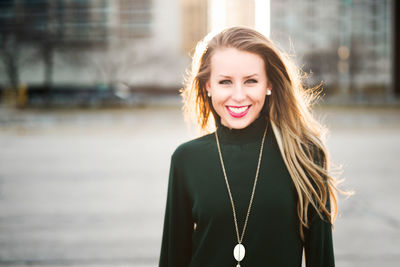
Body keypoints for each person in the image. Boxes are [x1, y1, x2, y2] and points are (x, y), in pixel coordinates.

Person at [159, 26, 340, 267]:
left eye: (251, 81)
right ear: (208, 86)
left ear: (269, 85)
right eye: (225, 82)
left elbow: (322, 259)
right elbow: (173, 257)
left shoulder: (305, 155)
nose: (238, 95)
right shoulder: (186, 159)